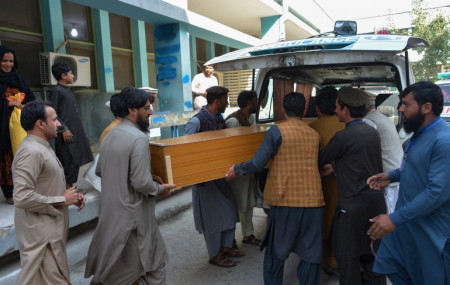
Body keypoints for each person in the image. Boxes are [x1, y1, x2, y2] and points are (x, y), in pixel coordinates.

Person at [227, 92, 325, 285]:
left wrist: (237, 168)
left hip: (284, 200)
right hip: (313, 202)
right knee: (310, 254)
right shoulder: (314, 135)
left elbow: (257, 163)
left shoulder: (276, 131)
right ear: (305, 110)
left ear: (282, 109)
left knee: (276, 251)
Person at [85, 87, 175, 285]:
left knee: (128, 266)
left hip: (114, 214)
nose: (151, 111)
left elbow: (101, 171)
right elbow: (141, 182)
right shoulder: (138, 138)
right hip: (134, 218)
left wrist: (140, 172)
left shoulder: (110, 135)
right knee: (150, 267)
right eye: (146, 108)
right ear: (131, 110)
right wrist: (160, 189)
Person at [367, 81, 450, 285]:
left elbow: (436, 192)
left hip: (432, 232)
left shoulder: (443, 140)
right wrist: (391, 176)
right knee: (391, 263)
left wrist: (394, 219)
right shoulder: (419, 134)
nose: (400, 108)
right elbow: (412, 167)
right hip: (409, 225)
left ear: (427, 107)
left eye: (406, 104)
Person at [318, 87, 386, 285]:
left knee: (347, 260)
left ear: (345, 110)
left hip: (352, 210)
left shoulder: (344, 136)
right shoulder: (371, 132)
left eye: (338, 107)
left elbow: (321, 159)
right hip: (375, 205)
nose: (336, 110)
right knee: (372, 258)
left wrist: (331, 165)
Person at [12, 101, 85, 284]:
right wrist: (62, 199)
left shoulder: (41, 146)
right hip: (41, 236)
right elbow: (21, 197)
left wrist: (70, 197)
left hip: (50, 231)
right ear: (40, 124)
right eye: (54, 120)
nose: (59, 124)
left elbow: (44, 184)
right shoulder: (31, 151)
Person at [184, 86, 243, 268]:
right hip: (205, 180)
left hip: (221, 176)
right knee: (211, 218)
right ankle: (214, 255)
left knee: (230, 210)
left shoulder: (219, 119)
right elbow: (185, 151)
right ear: (218, 100)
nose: (227, 103)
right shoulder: (196, 122)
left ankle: (225, 247)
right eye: (226, 99)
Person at [308, 86, 345, 274]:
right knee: (338, 221)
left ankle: (322, 258)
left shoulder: (311, 129)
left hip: (319, 184)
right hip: (344, 184)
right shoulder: (347, 125)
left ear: (317, 108)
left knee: (322, 221)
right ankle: (334, 259)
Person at [224, 90, 262, 246]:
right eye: (255, 101)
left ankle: (248, 234)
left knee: (248, 203)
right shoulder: (233, 121)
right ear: (248, 103)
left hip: (247, 168)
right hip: (237, 170)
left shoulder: (250, 118)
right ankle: (229, 240)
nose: (257, 104)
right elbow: (229, 148)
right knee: (236, 205)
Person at [48, 63, 93, 189]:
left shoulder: (66, 90)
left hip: (74, 131)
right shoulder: (56, 91)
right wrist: (63, 129)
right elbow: (52, 113)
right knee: (68, 159)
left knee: (76, 158)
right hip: (66, 134)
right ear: (63, 75)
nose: (73, 76)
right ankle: (68, 188)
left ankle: (71, 186)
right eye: (71, 73)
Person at [0, 45, 35, 205]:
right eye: (4, 61)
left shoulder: (18, 78)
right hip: (3, 126)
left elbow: (31, 97)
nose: (8, 64)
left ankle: (26, 187)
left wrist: (24, 105)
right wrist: (7, 104)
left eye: (11, 61)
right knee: (6, 158)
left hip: (20, 125)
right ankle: (10, 193)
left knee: (22, 154)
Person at [363, 96, 403, 214]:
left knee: (389, 216)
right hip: (396, 173)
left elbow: (367, 152)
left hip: (388, 177)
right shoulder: (381, 118)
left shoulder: (369, 121)